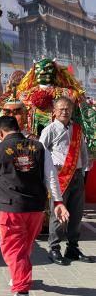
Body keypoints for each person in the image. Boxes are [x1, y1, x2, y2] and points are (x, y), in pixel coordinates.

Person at [0, 116, 69, 296]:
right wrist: (58, 202)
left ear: (0, 133)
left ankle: (21, 289)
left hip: (11, 209)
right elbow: (51, 177)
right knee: (24, 247)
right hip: (36, 209)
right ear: (19, 128)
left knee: (13, 249)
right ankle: (19, 277)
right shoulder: (39, 147)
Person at [39, 96, 94, 265]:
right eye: (61, 108)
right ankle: (54, 248)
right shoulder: (49, 130)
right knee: (58, 214)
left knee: (77, 213)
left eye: (68, 109)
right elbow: (41, 153)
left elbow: (83, 152)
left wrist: (84, 170)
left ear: (72, 111)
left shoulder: (77, 129)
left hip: (77, 175)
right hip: (59, 175)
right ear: (54, 112)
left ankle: (73, 248)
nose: (65, 111)